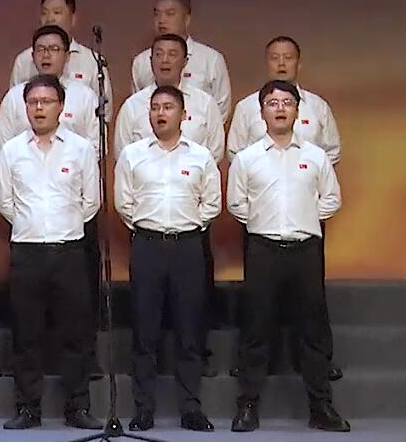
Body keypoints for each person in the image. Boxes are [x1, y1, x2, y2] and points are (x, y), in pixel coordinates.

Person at [227, 81, 350, 433]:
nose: (279, 108)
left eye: (286, 102)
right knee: (256, 330)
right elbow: (236, 203)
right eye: (272, 103)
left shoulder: (316, 156)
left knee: (312, 330)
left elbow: (332, 199)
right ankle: (248, 406)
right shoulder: (247, 158)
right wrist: (264, 223)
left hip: (305, 250)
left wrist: (304, 218)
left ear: (297, 110)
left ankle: (321, 407)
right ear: (261, 112)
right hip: (263, 249)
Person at [0, 75, 103, 431]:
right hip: (27, 252)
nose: (39, 108)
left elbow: (91, 202)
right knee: (26, 334)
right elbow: (5, 202)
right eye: (33, 102)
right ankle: (28, 408)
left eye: (46, 102)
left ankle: (78, 407)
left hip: (69, 250)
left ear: (61, 107)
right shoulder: (12, 150)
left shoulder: (81, 149)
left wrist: (63, 227)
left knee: (75, 333)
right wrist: (33, 227)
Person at [114, 86, 220, 432]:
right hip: (147, 245)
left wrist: (188, 227)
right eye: (155, 107)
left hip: (188, 246)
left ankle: (191, 408)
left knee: (189, 330)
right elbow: (124, 203)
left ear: (183, 115)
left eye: (168, 107)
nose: (160, 113)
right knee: (145, 330)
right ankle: (143, 409)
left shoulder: (200, 156)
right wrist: (148, 228)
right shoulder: (132, 155)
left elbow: (211, 204)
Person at [227, 37, 341, 162]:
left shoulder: (318, 106)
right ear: (267, 63)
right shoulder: (246, 107)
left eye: (288, 57)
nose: (281, 63)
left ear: (299, 64)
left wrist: (311, 171)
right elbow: (235, 153)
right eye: (275, 58)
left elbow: (332, 151)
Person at [116, 35, 225, 161]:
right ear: (151, 60)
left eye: (172, 55)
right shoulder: (132, 105)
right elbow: (122, 155)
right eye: (159, 54)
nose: (164, 60)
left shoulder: (205, 104)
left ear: (185, 61)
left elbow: (216, 152)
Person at [8, 0, 113, 115]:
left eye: (57, 12)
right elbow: (14, 106)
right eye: (44, 13)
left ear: (73, 18)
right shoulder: (23, 60)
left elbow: (104, 114)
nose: (50, 19)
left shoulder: (92, 61)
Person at [129, 0, 232, 119]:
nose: (161, 20)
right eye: (157, 14)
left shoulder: (211, 60)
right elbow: (136, 108)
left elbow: (221, 110)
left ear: (187, 19)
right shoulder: (141, 62)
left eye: (170, 14)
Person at [0, 25, 100, 150]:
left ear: (67, 56)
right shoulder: (14, 97)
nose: (46, 55)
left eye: (54, 49)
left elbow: (96, 146)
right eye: (40, 49)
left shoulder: (85, 96)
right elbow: (4, 147)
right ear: (33, 56)